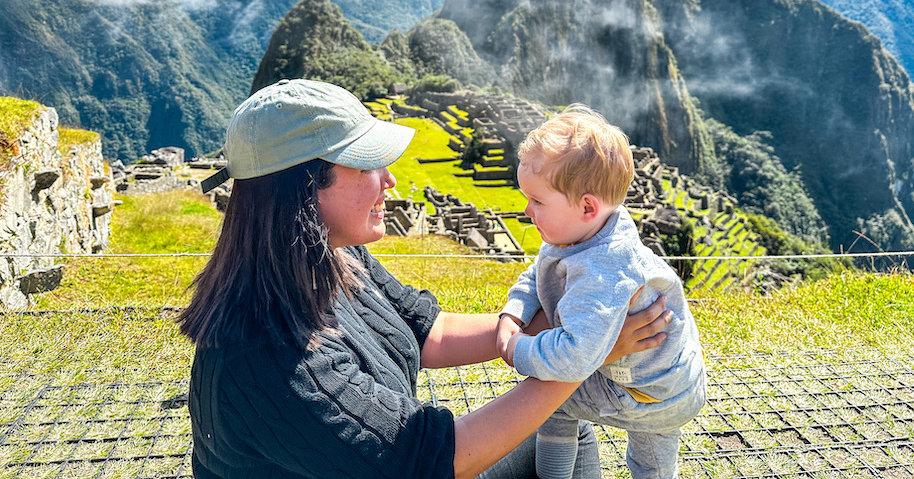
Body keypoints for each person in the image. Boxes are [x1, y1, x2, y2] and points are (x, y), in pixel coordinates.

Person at [179, 79, 673, 479]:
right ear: (306, 187)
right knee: (553, 421)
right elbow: (431, 460)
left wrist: (564, 322)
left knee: (562, 431)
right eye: (367, 163)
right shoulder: (271, 358)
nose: (389, 179)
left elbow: (427, 331)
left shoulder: (334, 256)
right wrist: (587, 356)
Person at [496, 105, 707, 479]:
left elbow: (573, 359)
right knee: (653, 461)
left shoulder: (605, 271)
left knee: (551, 400)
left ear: (587, 206)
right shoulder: (586, 230)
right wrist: (515, 311)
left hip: (646, 394)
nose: (527, 211)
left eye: (538, 201)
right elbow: (541, 270)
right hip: (673, 380)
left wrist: (518, 349)